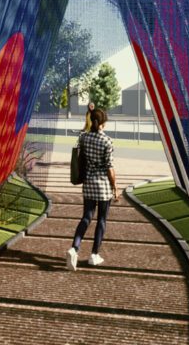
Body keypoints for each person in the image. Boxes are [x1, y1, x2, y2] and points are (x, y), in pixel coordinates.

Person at [67, 108, 118, 270]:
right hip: (103, 185)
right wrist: (115, 187)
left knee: (86, 217)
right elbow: (109, 168)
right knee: (101, 220)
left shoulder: (84, 138)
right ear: (103, 124)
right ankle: (94, 255)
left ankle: (74, 248)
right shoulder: (107, 141)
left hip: (88, 182)